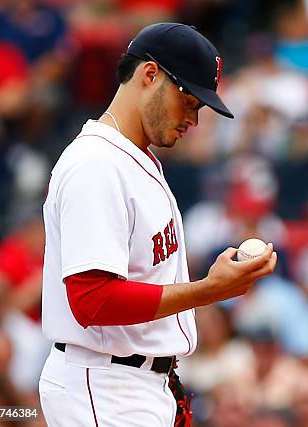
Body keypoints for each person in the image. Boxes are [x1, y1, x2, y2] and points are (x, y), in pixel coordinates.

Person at [39, 22, 277, 427]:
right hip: (105, 385)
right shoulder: (97, 165)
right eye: (189, 102)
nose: (194, 120)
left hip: (135, 383)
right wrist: (207, 291)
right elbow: (91, 299)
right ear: (150, 75)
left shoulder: (133, 158)